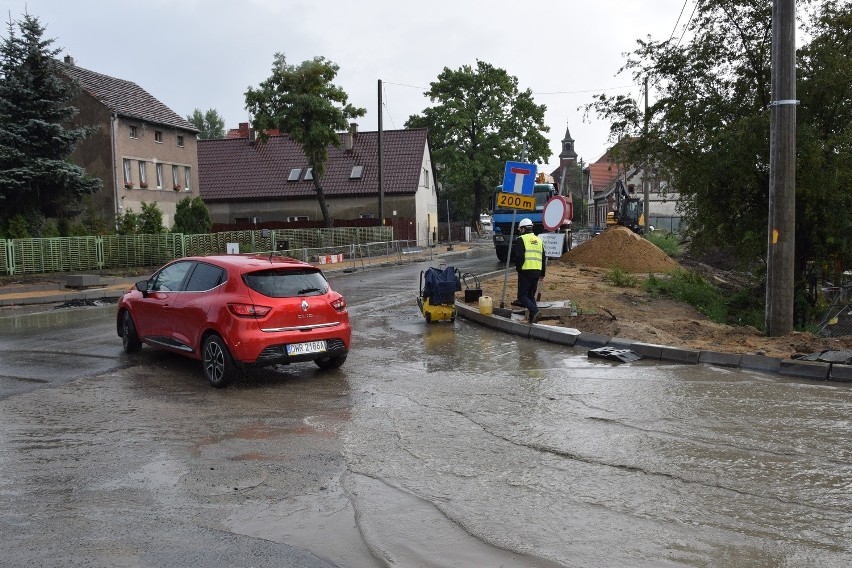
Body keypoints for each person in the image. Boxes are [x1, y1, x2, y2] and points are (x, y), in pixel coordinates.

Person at [513, 217, 546, 323]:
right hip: (537, 271)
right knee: (530, 295)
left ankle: (535, 312)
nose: (520, 232)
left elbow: (519, 257)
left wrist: (519, 269)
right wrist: (542, 273)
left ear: (523, 229)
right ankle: (533, 318)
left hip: (525, 271)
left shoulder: (521, 240)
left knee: (522, 296)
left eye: (520, 230)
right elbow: (543, 258)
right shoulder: (539, 240)